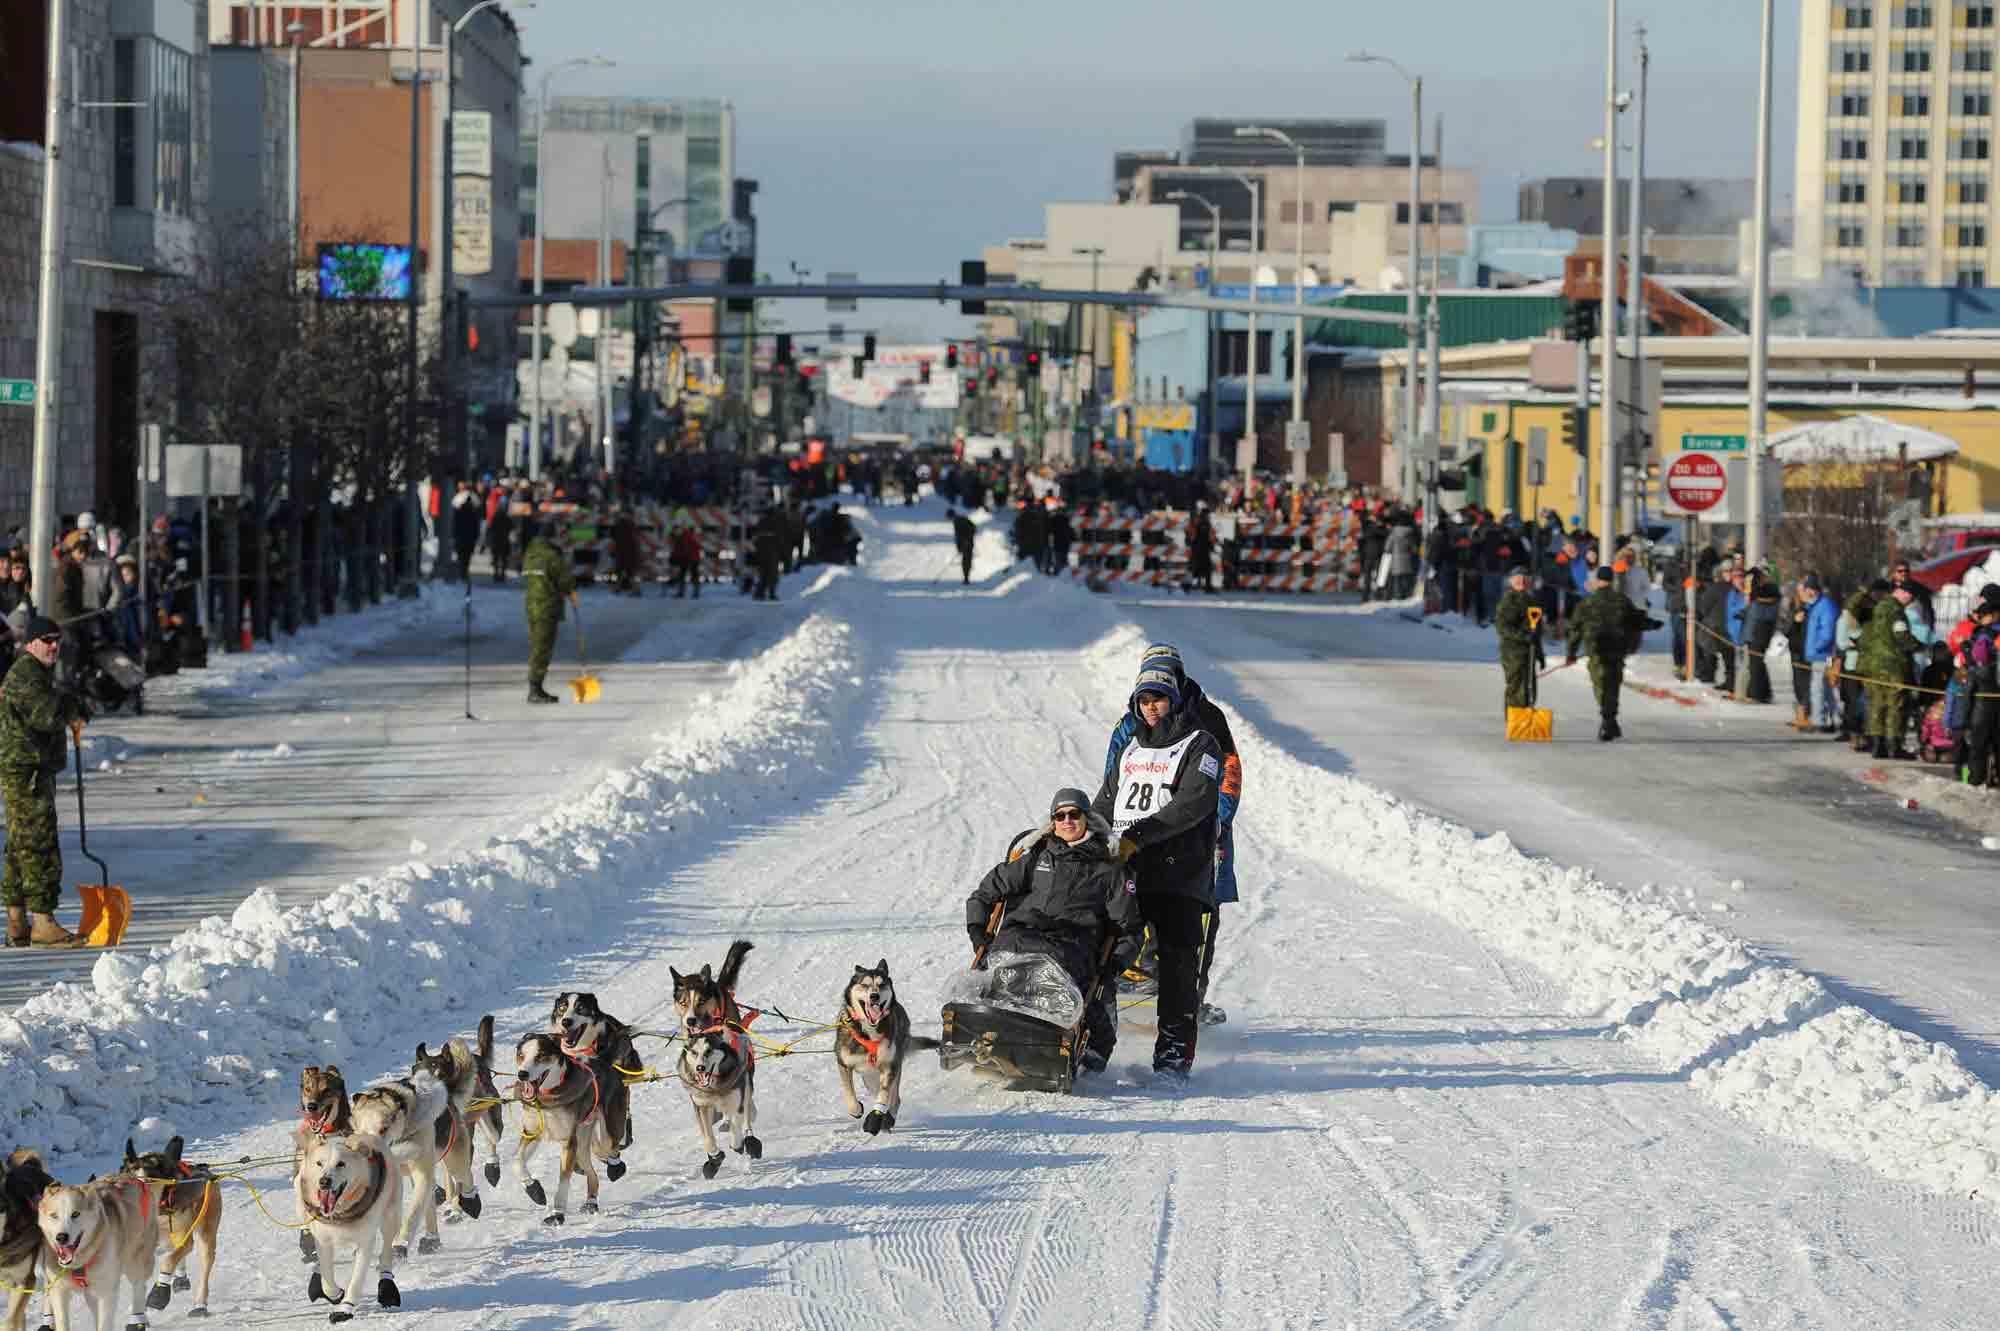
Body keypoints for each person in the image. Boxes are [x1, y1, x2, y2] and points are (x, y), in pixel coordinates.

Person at [1091, 661, 1223, 1082]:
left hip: (1180, 874)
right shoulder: (1130, 747)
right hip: (1130, 871)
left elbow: (1194, 804)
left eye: (1159, 699)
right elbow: (1106, 802)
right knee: (1105, 958)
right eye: (1144, 700)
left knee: (1177, 969)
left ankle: (1171, 1058)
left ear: (1175, 699)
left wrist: (1140, 834)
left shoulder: (1201, 745)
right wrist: (1080, 837)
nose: (1151, 708)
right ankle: (1096, 1045)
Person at [1105, 643, 1241, 1028]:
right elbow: (1114, 776)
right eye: (1145, 695)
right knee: (1128, 899)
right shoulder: (1130, 723)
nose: (1152, 704)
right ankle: (1133, 974)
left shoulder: (1207, 719)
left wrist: (1219, 820)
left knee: (1201, 908)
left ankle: (1189, 990)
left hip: (1198, 832)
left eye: (1162, 691)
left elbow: (1229, 772)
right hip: (1137, 834)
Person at [963, 787, 1143, 1076]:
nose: (1067, 821)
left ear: (1088, 819)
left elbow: (1130, 928)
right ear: (1053, 821)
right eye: (1060, 816)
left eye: (1074, 814)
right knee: (1002, 957)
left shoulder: (1108, 870)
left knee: (1059, 967)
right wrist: (977, 930)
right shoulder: (1036, 858)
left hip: (1070, 946)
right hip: (1020, 938)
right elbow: (984, 894)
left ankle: (1052, 1034)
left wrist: (1115, 964)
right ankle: (989, 1025)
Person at [1, 617, 87, 947]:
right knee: (39, 842)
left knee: (20, 843)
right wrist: (72, 705)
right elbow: (47, 714)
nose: (54, 645)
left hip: (28, 768)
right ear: (31, 642)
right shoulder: (25, 675)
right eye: (47, 639)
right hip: (27, 770)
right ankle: (43, 921)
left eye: (57, 639)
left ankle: (17, 919)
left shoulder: (36, 673)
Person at [1565, 566, 1654, 742]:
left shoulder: (1587, 603)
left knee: (1601, 685)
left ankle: (1607, 720)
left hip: (1597, 650)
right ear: (1612, 581)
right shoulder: (1622, 600)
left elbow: (1575, 630)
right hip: (1617, 649)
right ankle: (1610, 720)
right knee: (1613, 684)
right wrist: (1653, 624)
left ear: (1598, 581)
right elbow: (1636, 621)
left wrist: (1571, 653)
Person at [1860, 577, 1917, 759]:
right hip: (1892, 665)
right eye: (1911, 597)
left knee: (1877, 704)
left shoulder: (1878, 607)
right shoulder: (1896, 611)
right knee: (1895, 705)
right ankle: (1894, 745)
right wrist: (1918, 645)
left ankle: (1877, 745)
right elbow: (1901, 636)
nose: (1910, 602)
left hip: (1873, 664)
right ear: (1904, 593)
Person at [521, 524, 577, 705]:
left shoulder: (530, 554)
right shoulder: (552, 556)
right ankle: (535, 689)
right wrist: (571, 589)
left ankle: (536, 687)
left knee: (537, 646)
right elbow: (565, 580)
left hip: (531, 605)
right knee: (542, 649)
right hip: (547, 606)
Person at [1494, 565, 1545, 715]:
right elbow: (1502, 628)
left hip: (1530, 652)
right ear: (1511, 581)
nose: (1521, 581)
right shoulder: (1508, 601)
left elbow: (1537, 631)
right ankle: (1514, 720)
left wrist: (1540, 654)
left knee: (1530, 688)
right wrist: (1523, 636)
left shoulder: (1532, 602)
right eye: (1517, 578)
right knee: (1516, 686)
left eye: (1525, 578)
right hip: (1513, 653)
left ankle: (1524, 719)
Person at [1962, 589, 2000, 785]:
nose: (1980, 618)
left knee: (1979, 743)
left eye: (1983, 615)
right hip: (1989, 693)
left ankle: (1975, 780)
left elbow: (1978, 662)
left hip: (1984, 695)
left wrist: (1968, 655)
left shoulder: (1984, 635)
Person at [1798, 574, 1840, 733]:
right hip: (1818, 655)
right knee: (1825, 688)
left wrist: (1817, 646)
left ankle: (1819, 721)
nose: (1805, 593)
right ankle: (1833, 718)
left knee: (1819, 688)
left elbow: (1827, 632)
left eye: (1807, 589)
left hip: (1824, 655)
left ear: (1813, 590)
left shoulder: (1825, 606)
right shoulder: (1814, 606)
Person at [450, 480, 483, 584]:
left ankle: (462, 572)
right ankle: (464, 572)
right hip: (469, 538)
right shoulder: (473, 510)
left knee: (462, 556)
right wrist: (476, 536)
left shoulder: (459, 510)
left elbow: (455, 523)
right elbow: (476, 524)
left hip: (461, 537)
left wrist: (454, 534)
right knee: (466, 556)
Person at [486, 493, 515, 586]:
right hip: (503, 540)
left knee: (497, 558)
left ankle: (497, 574)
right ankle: (501, 574)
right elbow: (511, 527)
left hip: (497, 540)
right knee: (503, 559)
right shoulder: (506, 517)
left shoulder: (496, 517)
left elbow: (490, 528)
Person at [1187, 506, 1215, 593]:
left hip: (1199, 548)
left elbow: (1192, 537)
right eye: (1207, 514)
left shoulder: (1199, 522)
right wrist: (1211, 545)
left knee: (1198, 568)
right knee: (1204, 568)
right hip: (1201, 548)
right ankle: (1205, 586)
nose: (1208, 516)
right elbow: (1209, 536)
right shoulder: (1204, 523)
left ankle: (1199, 585)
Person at [948, 508, 976, 585]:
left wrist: (967, 539)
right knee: (966, 560)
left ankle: (966, 578)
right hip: (965, 544)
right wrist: (959, 547)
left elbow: (972, 528)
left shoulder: (959, 521)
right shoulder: (958, 520)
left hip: (968, 544)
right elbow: (959, 536)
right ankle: (966, 578)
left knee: (966, 561)